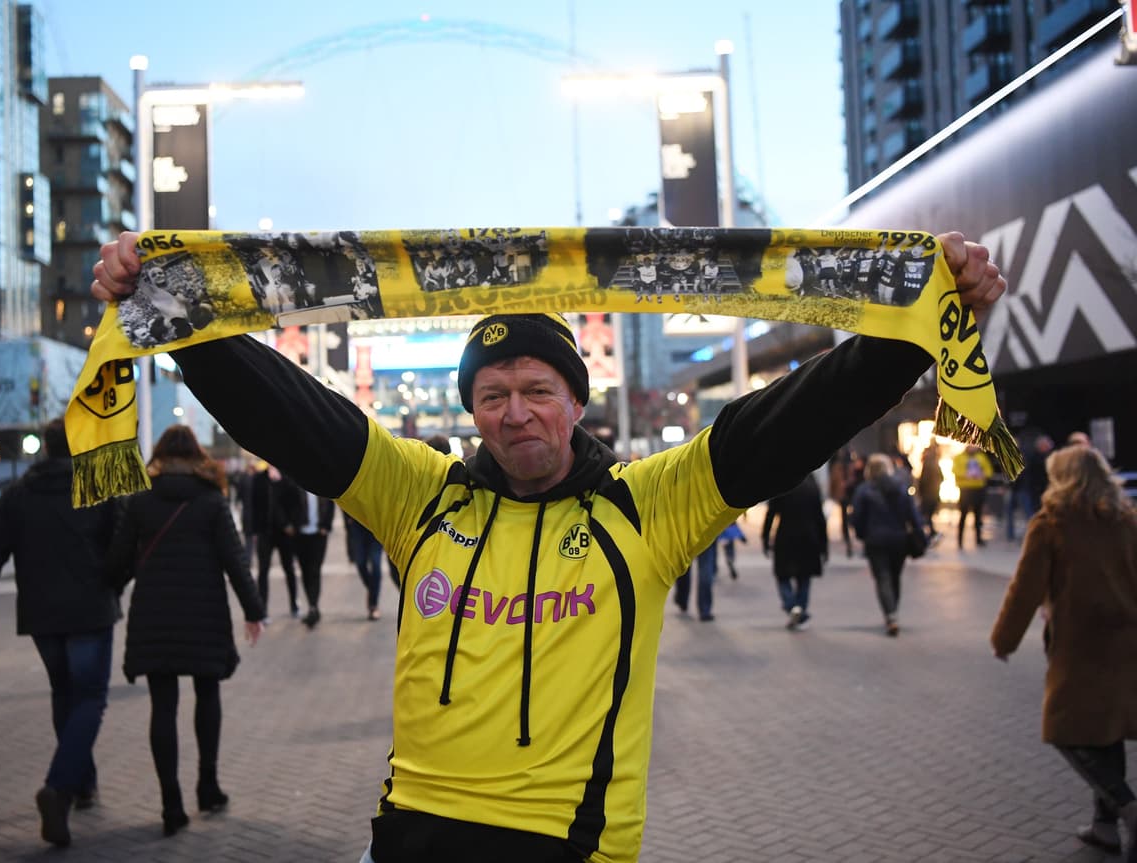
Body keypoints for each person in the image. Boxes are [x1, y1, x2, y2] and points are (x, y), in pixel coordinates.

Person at [93, 230, 1005, 862]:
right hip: (409, 828)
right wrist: (170, 313)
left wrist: (915, 331)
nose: (515, 410)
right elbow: (291, 413)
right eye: (492, 394)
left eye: (537, 387)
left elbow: (790, 421)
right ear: (473, 412)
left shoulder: (648, 504)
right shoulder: (420, 496)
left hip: (565, 843)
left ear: (576, 400)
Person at [0, 419, 122, 847]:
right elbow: (125, 544)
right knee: (90, 698)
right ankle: (59, 787)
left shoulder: (18, 494)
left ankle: (81, 783)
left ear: (46, 449)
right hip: (90, 609)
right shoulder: (97, 486)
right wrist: (115, 582)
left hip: (41, 614)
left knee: (64, 695)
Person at [106, 424, 265, 836]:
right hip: (204, 613)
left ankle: (170, 803)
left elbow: (119, 563)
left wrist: (103, 588)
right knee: (207, 694)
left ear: (159, 456)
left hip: (154, 615)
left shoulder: (140, 502)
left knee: (163, 706)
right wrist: (253, 610)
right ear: (197, 457)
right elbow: (234, 560)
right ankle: (208, 786)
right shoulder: (211, 500)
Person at [989, 445, 1137, 861]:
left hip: (1081, 643)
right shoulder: (1126, 519)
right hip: (1126, 639)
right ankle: (1105, 827)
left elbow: (1025, 589)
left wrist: (1004, 639)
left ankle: (1128, 809)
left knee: (1065, 731)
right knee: (1104, 733)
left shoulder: (1052, 523)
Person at [850, 453, 925, 637]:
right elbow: (913, 514)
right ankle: (893, 613)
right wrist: (921, 535)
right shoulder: (900, 488)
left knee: (882, 577)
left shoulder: (864, 490)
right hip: (899, 540)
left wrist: (861, 534)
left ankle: (890, 615)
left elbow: (857, 517)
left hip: (875, 540)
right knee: (895, 576)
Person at [761, 473, 828, 631]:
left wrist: (765, 537)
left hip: (786, 536)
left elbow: (771, 513)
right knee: (804, 577)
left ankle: (792, 607)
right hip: (809, 537)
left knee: (783, 575)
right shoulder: (812, 485)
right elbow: (820, 517)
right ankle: (800, 609)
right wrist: (824, 545)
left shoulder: (783, 481)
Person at [248, 463, 301, 620]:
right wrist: (254, 530)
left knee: (289, 569)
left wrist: (292, 525)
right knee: (263, 571)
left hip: (284, 533)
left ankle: (294, 604)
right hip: (265, 532)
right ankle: (262, 609)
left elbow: (296, 502)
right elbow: (253, 505)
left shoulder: (287, 477)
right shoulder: (259, 478)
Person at [288, 486, 334, 629]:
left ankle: (313, 606)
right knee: (305, 571)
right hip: (300, 534)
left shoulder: (321, 486)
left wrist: (326, 526)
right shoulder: (295, 485)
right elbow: (287, 504)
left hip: (318, 535)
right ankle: (312, 605)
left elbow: (331, 504)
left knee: (314, 570)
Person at [344, 509, 385, 620]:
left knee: (376, 564)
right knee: (360, 563)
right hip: (358, 526)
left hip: (376, 526)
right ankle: (373, 590)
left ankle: (373, 605)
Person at [952, 443, 993, 548]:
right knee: (963, 515)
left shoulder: (981, 457)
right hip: (965, 489)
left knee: (978, 516)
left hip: (978, 489)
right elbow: (955, 470)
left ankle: (978, 539)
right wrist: (966, 475)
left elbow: (989, 471)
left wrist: (983, 475)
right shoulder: (959, 457)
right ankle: (960, 541)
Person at [916, 441, 943, 541]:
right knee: (927, 515)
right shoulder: (935, 464)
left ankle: (925, 534)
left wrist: (920, 491)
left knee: (924, 514)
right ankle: (931, 532)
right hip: (934, 494)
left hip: (928, 494)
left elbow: (924, 480)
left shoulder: (927, 465)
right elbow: (941, 478)